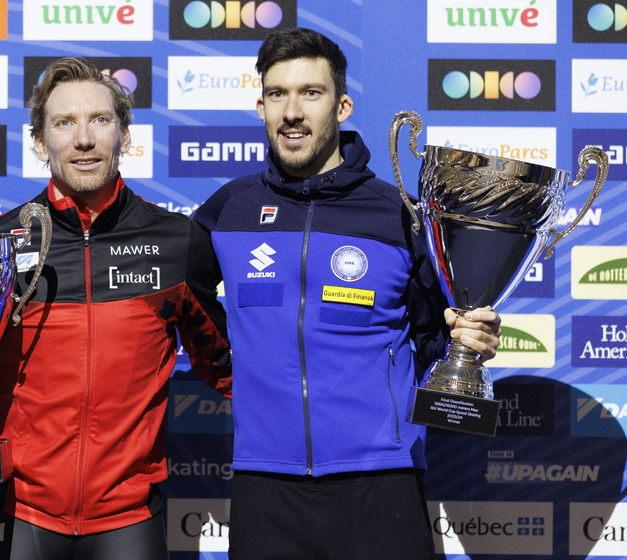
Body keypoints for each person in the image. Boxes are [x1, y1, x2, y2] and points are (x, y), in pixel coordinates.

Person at [192, 28, 501, 560]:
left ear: (342, 105)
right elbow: (183, 297)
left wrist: (465, 344)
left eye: (311, 93)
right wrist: (229, 364)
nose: (292, 111)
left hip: (381, 479)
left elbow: (431, 337)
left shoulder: (397, 213)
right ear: (260, 106)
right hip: (265, 483)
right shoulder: (230, 209)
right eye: (276, 94)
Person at [0, 57, 232, 560]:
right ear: (40, 142)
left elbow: (227, 366)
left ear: (124, 136)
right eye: (64, 123)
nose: (83, 140)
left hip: (130, 517)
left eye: (100, 120)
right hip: (21, 512)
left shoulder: (176, 242)